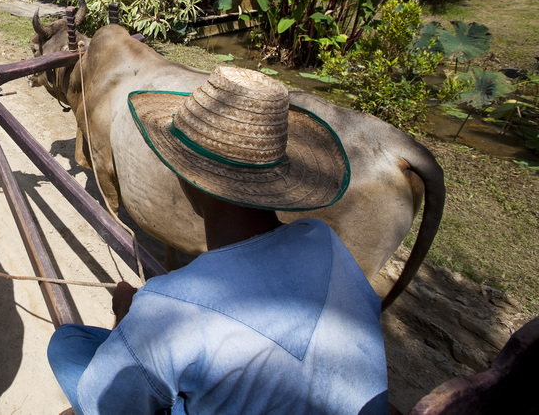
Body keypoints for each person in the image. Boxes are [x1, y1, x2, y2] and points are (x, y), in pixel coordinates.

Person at [47, 67, 389, 415]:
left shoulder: (166, 308)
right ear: (279, 178)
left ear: (187, 179)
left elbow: (106, 406)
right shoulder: (323, 239)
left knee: (66, 345)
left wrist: (125, 317)